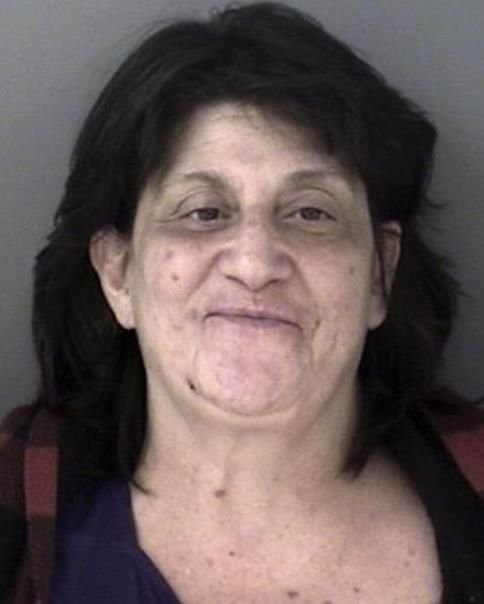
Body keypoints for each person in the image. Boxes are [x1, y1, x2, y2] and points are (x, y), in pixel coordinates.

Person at [1, 2, 484, 603]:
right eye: (203, 212)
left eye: (311, 213)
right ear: (118, 274)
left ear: (380, 274)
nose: (255, 264)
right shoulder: (16, 517)